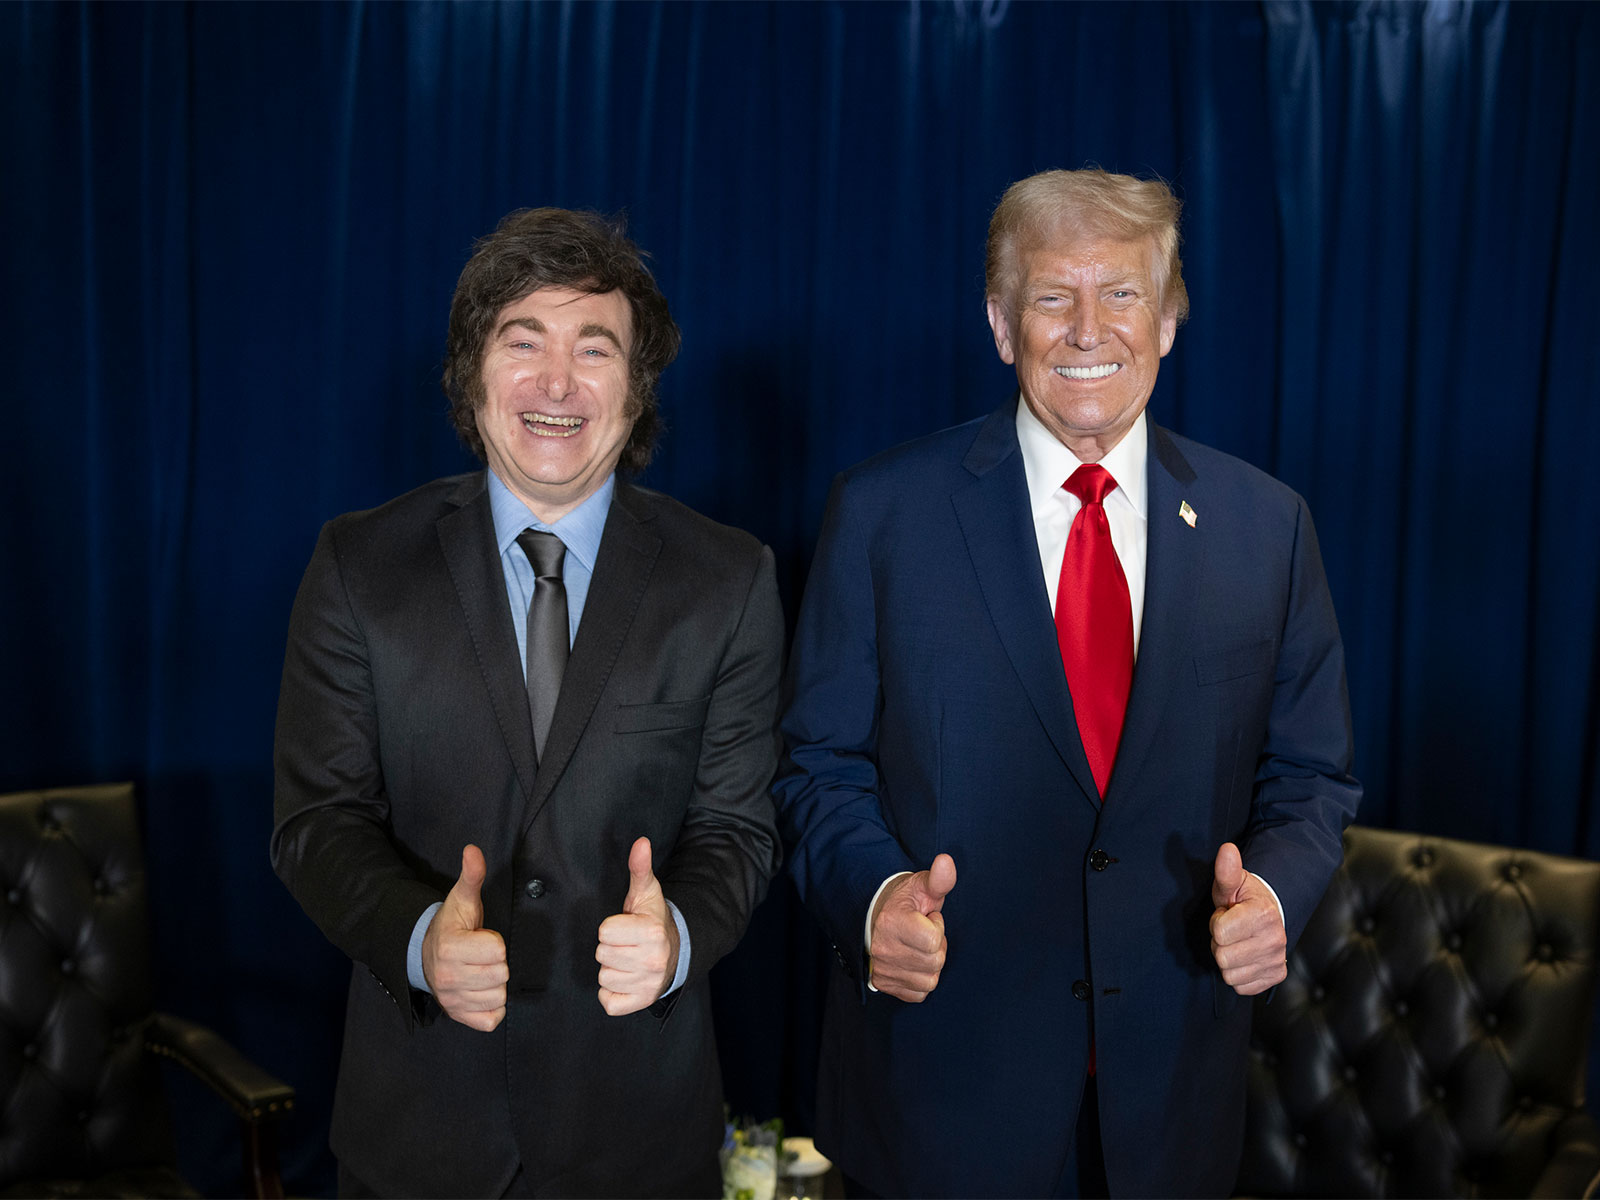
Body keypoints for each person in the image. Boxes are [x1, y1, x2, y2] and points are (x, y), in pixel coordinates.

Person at [773, 168, 1361, 1198]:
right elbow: (817, 764)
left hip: (1172, 1093)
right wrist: (871, 901)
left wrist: (1269, 893)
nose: (1089, 329)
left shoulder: (1267, 528)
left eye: (1124, 294)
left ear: (1170, 320)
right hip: (941, 1090)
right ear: (1003, 326)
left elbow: (1312, 775)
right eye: (1052, 297)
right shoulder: (881, 515)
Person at [272, 207, 783, 1198]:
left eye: (594, 350)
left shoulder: (728, 579)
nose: (557, 382)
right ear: (472, 375)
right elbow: (315, 821)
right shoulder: (358, 566)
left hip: (640, 1132)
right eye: (524, 343)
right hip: (417, 1131)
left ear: (634, 393)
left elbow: (737, 827)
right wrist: (421, 940)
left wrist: (679, 934)